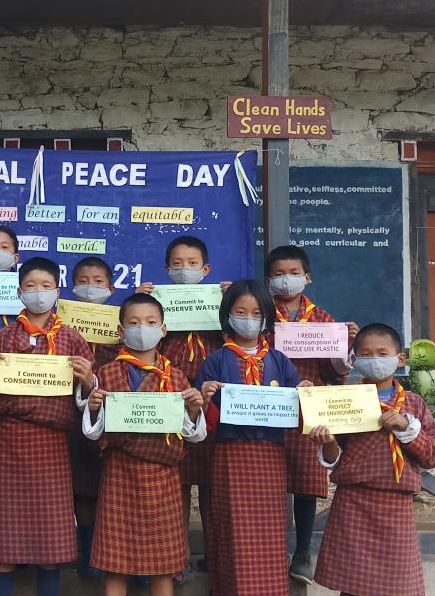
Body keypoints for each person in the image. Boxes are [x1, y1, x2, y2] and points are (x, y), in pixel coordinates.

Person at [0, 257, 96, 596]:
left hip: (52, 447)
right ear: (19, 292)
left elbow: (87, 399)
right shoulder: (2, 338)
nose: (38, 293)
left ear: (57, 292)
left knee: (50, 552)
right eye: (30, 286)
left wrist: (89, 380)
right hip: (9, 444)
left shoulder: (72, 340)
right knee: (3, 550)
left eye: (45, 286)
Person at [82, 293, 208, 596]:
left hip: (162, 478)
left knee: (162, 567)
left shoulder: (176, 377)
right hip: (119, 474)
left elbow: (193, 434)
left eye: (151, 322)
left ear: (163, 329)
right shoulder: (106, 373)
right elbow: (93, 433)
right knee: (115, 565)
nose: (142, 329)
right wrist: (94, 407)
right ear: (121, 330)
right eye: (134, 323)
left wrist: (193, 410)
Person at [310, 323, 435, 596]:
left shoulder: (414, 404)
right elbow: (335, 459)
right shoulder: (344, 400)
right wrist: (329, 442)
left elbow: (433, 456)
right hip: (353, 502)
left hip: (396, 505)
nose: (375, 360)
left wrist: (405, 426)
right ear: (355, 360)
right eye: (367, 355)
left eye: (383, 354)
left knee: (397, 587)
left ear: (400, 359)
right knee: (353, 586)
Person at [200, 280, 311, 596]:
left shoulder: (279, 361)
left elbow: (299, 414)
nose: (248, 319)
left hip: (270, 456)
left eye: (256, 313)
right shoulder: (215, 360)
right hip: (229, 455)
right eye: (240, 312)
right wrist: (203, 398)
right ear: (227, 315)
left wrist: (304, 395)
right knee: (231, 527)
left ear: (267, 318)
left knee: (269, 530)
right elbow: (199, 422)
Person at [264, 244, 358, 581]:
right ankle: (271, 553)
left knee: (305, 481)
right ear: (268, 280)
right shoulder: (261, 314)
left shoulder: (323, 320)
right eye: (278, 274)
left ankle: (302, 553)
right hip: (268, 406)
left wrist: (345, 346)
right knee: (269, 483)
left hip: (309, 406)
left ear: (307, 278)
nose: (286, 280)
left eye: (293, 273)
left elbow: (333, 373)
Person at [137, 235, 226, 582]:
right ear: (166, 269)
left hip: (212, 405)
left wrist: (229, 302)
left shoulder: (217, 305)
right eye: (177, 264)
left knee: (212, 485)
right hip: (171, 402)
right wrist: (144, 303)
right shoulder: (159, 307)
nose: (184, 269)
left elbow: (241, 339)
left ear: (206, 269)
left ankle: (216, 556)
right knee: (179, 484)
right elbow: (138, 346)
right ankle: (180, 556)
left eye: (192, 264)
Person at [66, 255, 117, 578]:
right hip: (73, 415)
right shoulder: (61, 326)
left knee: (112, 489)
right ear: (72, 287)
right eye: (83, 281)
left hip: (116, 415)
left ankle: (113, 553)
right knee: (83, 489)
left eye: (98, 282)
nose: (90, 287)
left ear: (111, 288)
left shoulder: (123, 325)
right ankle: (88, 554)